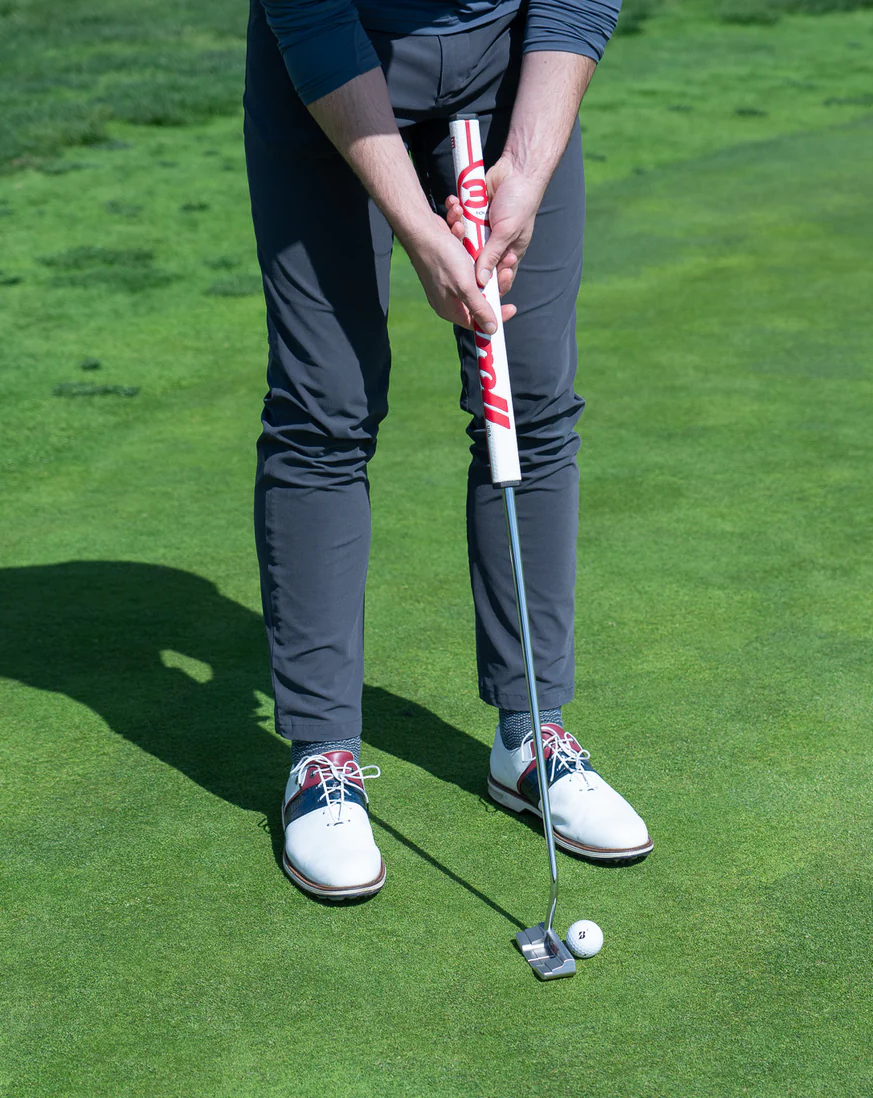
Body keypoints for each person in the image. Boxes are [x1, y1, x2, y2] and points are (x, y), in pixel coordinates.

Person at [246, 0, 652, 900]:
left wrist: (529, 169)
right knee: (325, 409)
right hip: (334, 59)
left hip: (509, 65)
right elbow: (311, 17)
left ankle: (530, 734)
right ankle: (321, 758)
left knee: (530, 398)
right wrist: (418, 229)